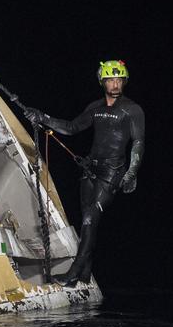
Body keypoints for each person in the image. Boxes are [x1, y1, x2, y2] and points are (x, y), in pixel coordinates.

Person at [25, 60, 144, 287]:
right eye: (111, 79)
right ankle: (85, 273)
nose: (115, 84)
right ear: (103, 82)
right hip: (90, 170)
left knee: (90, 219)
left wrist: (131, 173)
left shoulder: (132, 109)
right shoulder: (95, 108)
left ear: (124, 82)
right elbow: (71, 128)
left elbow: (138, 142)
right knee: (86, 221)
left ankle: (72, 274)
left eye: (119, 80)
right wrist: (42, 117)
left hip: (112, 173)